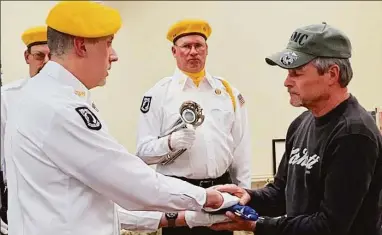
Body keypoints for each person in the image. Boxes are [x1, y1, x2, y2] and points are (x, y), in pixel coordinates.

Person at [3, 2, 238, 235]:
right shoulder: (59, 107)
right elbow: (130, 182)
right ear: (81, 47)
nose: (114, 56)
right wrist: (208, 198)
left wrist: (187, 218)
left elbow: (97, 201)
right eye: (108, 44)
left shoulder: (41, 94)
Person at [209, 22, 382, 235]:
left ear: (332, 74)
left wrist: (258, 225)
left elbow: (329, 227)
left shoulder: (354, 134)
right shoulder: (301, 124)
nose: (286, 82)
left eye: (297, 73)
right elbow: (281, 193)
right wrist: (249, 197)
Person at [135, 18, 252, 235]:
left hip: (222, 191)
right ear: (174, 51)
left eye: (199, 46)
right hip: (179, 195)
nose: (193, 52)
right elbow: (143, 153)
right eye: (186, 46)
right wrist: (169, 143)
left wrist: (243, 192)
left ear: (206, 50)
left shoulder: (228, 92)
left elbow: (241, 147)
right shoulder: (158, 94)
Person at [0, 25, 49, 231]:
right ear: (27, 57)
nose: (45, 63)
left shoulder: (75, 98)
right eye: (39, 56)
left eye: (51, 57)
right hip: (16, 197)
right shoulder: (7, 97)